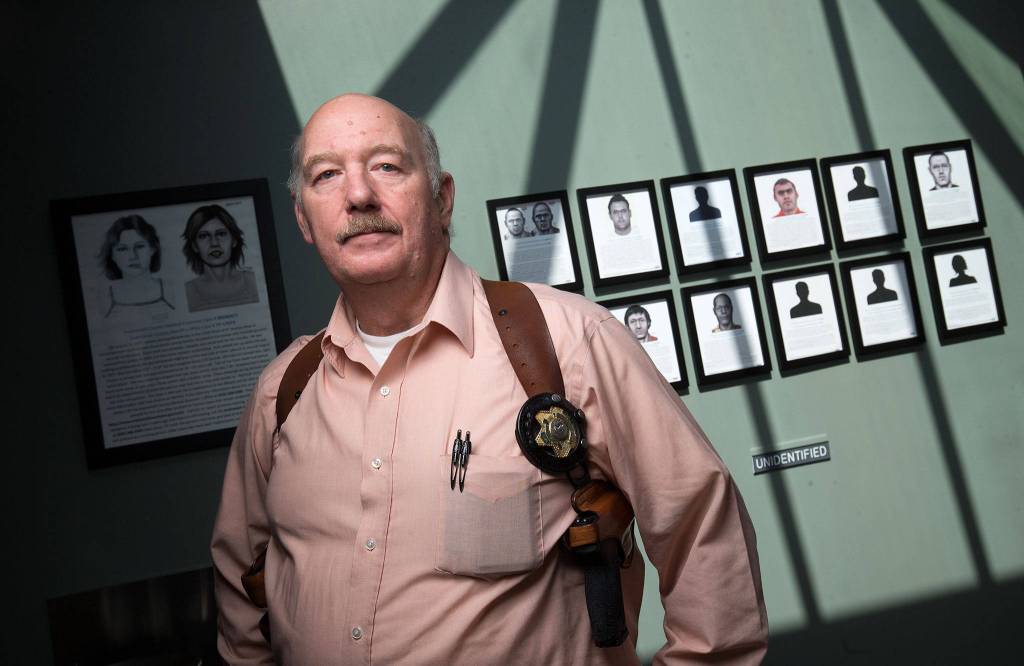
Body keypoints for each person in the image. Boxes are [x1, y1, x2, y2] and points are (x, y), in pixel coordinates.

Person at [211, 93, 767, 664]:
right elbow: (239, 581)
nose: (358, 195)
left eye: (387, 166)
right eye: (326, 175)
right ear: (304, 219)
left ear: (442, 198)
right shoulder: (282, 393)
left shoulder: (569, 342)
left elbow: (701, 527)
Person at [181, 204, 259, 312]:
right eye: (204, 236)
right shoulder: (188, 291)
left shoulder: (253, 282)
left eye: (221, 234)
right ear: (194, 246)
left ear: (234, 240)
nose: (214, 243)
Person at [97, 215, 174, 318]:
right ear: (112, 255)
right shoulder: (105, 296)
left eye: (139, 246)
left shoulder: (170, 289)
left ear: (152, 249)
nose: (133, 256)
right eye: (122, 249)